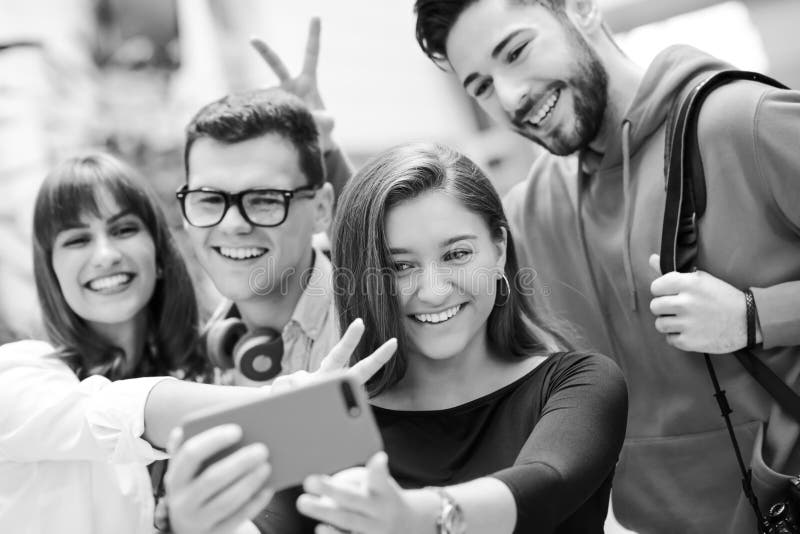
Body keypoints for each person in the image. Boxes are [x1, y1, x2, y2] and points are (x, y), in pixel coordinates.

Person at [412, 0, 800, 532]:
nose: (509, 97)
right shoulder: (537, 206)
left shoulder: (742, 120)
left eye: (517, 50)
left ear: (581, 8)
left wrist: (756, 315)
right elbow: (422, 264)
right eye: (480, 86)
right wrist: (325, 171)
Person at [0, 152, 395, 533]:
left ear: (157, 251)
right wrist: (289, 402)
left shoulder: (213, 382)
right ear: (50, 270)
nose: (105, 255)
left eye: (123, 230)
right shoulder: (18, 374)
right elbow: (118, 411)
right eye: (76, 240)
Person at [250, 142, 626, 533]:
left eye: (456, 254)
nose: (433, 291)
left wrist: (415, 517)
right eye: (400, 266)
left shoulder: (580, 383)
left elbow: (547, 481)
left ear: (498, 250)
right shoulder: (332, 421)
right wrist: (286, 433)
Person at [180, 86, 341, 385]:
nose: (232, 224)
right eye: (209, 199)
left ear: (321, 209)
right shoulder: (191, 364)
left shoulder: (381, 336)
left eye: (265, 199)